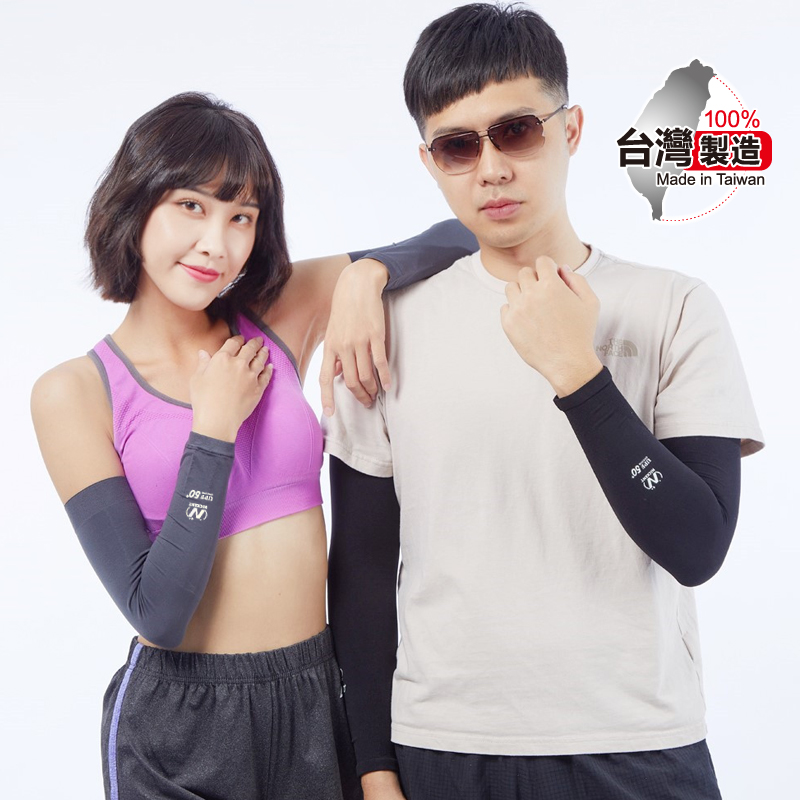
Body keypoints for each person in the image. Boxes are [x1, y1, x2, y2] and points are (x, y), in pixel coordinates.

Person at [323, 4, 764, 799]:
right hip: (443, 747)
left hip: (635, 742)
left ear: (572, 129)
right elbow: (360, 567)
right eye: (459, 146)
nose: (491, 168)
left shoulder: (674, 307)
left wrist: (579, 375)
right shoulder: (383, 329)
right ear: (430, 162)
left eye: (517, 131)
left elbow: (697, 546)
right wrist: (372, 766)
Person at [30, 92, 473, 800]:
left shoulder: (275, 314)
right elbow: (158, 613)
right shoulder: (74, 392)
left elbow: (458, 237)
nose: (217, 243)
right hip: (182, 723)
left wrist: (365, 276)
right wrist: (212, 431)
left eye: (241, 216)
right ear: (135, 204)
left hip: (312, 695)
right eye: (191, 206)